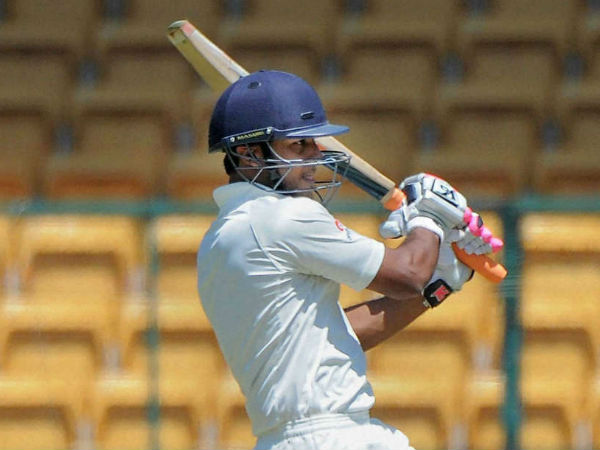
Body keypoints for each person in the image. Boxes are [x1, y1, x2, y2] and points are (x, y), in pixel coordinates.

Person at [196, 70, 501, 450]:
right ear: (249, 153)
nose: (315, 156)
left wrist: (441, 282)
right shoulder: (280, 217)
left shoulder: (218, 240)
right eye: (299, 145)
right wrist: (429, 216)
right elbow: (407, 275)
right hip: (332, 437)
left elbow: (337, 336)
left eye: (313, 142)